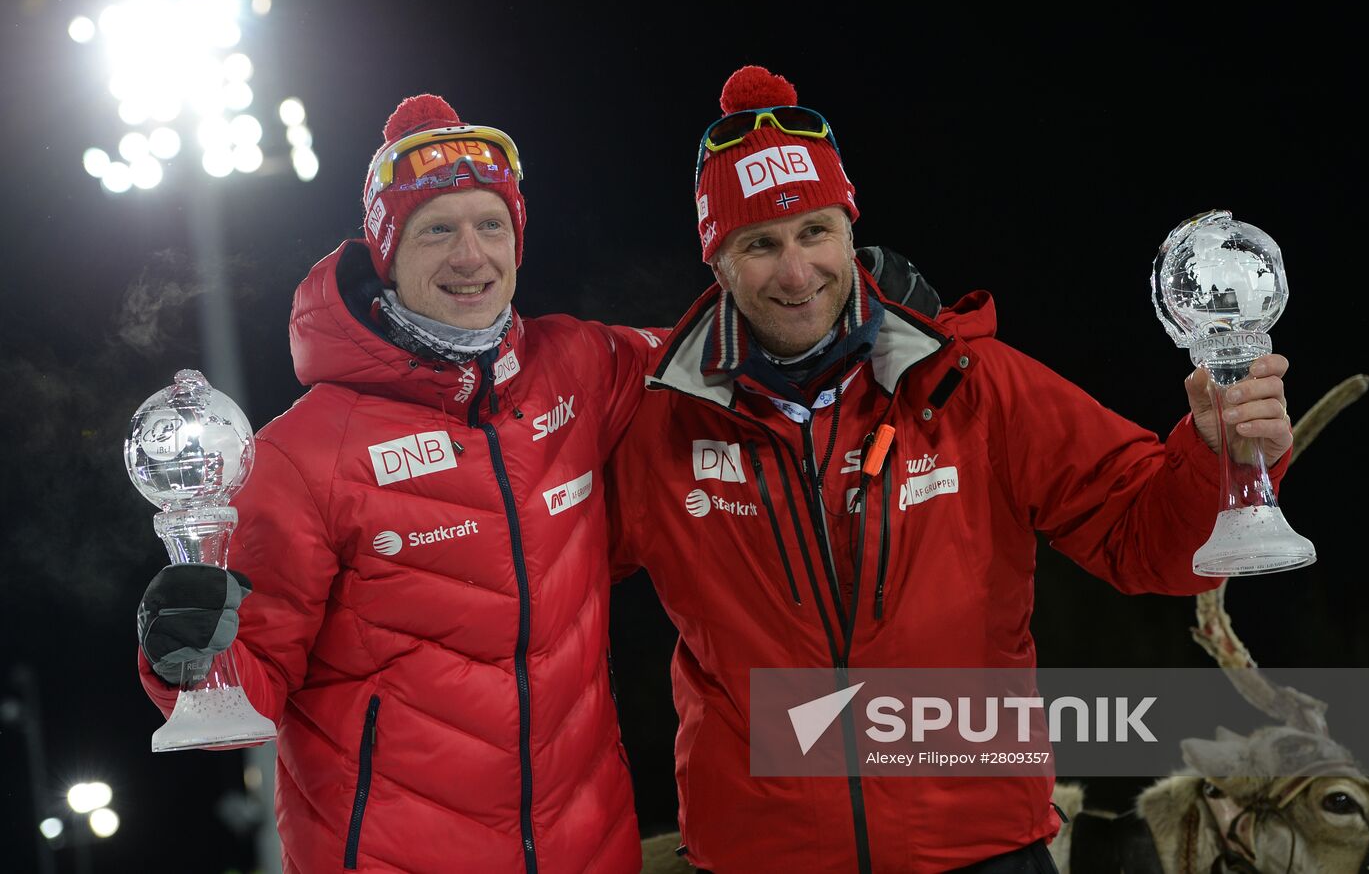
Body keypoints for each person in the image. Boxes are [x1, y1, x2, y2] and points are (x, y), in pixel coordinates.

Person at [604, 67, 1295, 873]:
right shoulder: (659, 423)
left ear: (849, 231)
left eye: (815, 232)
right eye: (760, 244)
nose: (796, 272)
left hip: (982, 849)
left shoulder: (970, 383)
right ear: (718, 261)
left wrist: (1216, 458)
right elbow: (529, 594)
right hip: (762, 855)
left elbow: (1152, 546)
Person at [135, 94, 654, 874]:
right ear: (388, 254)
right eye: (436, 230)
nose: (471, 256)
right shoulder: (303, 455)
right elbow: (234, 701)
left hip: (591, 850)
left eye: (491, 226)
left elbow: (724, 362)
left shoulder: (578, 367)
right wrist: (184, 650)